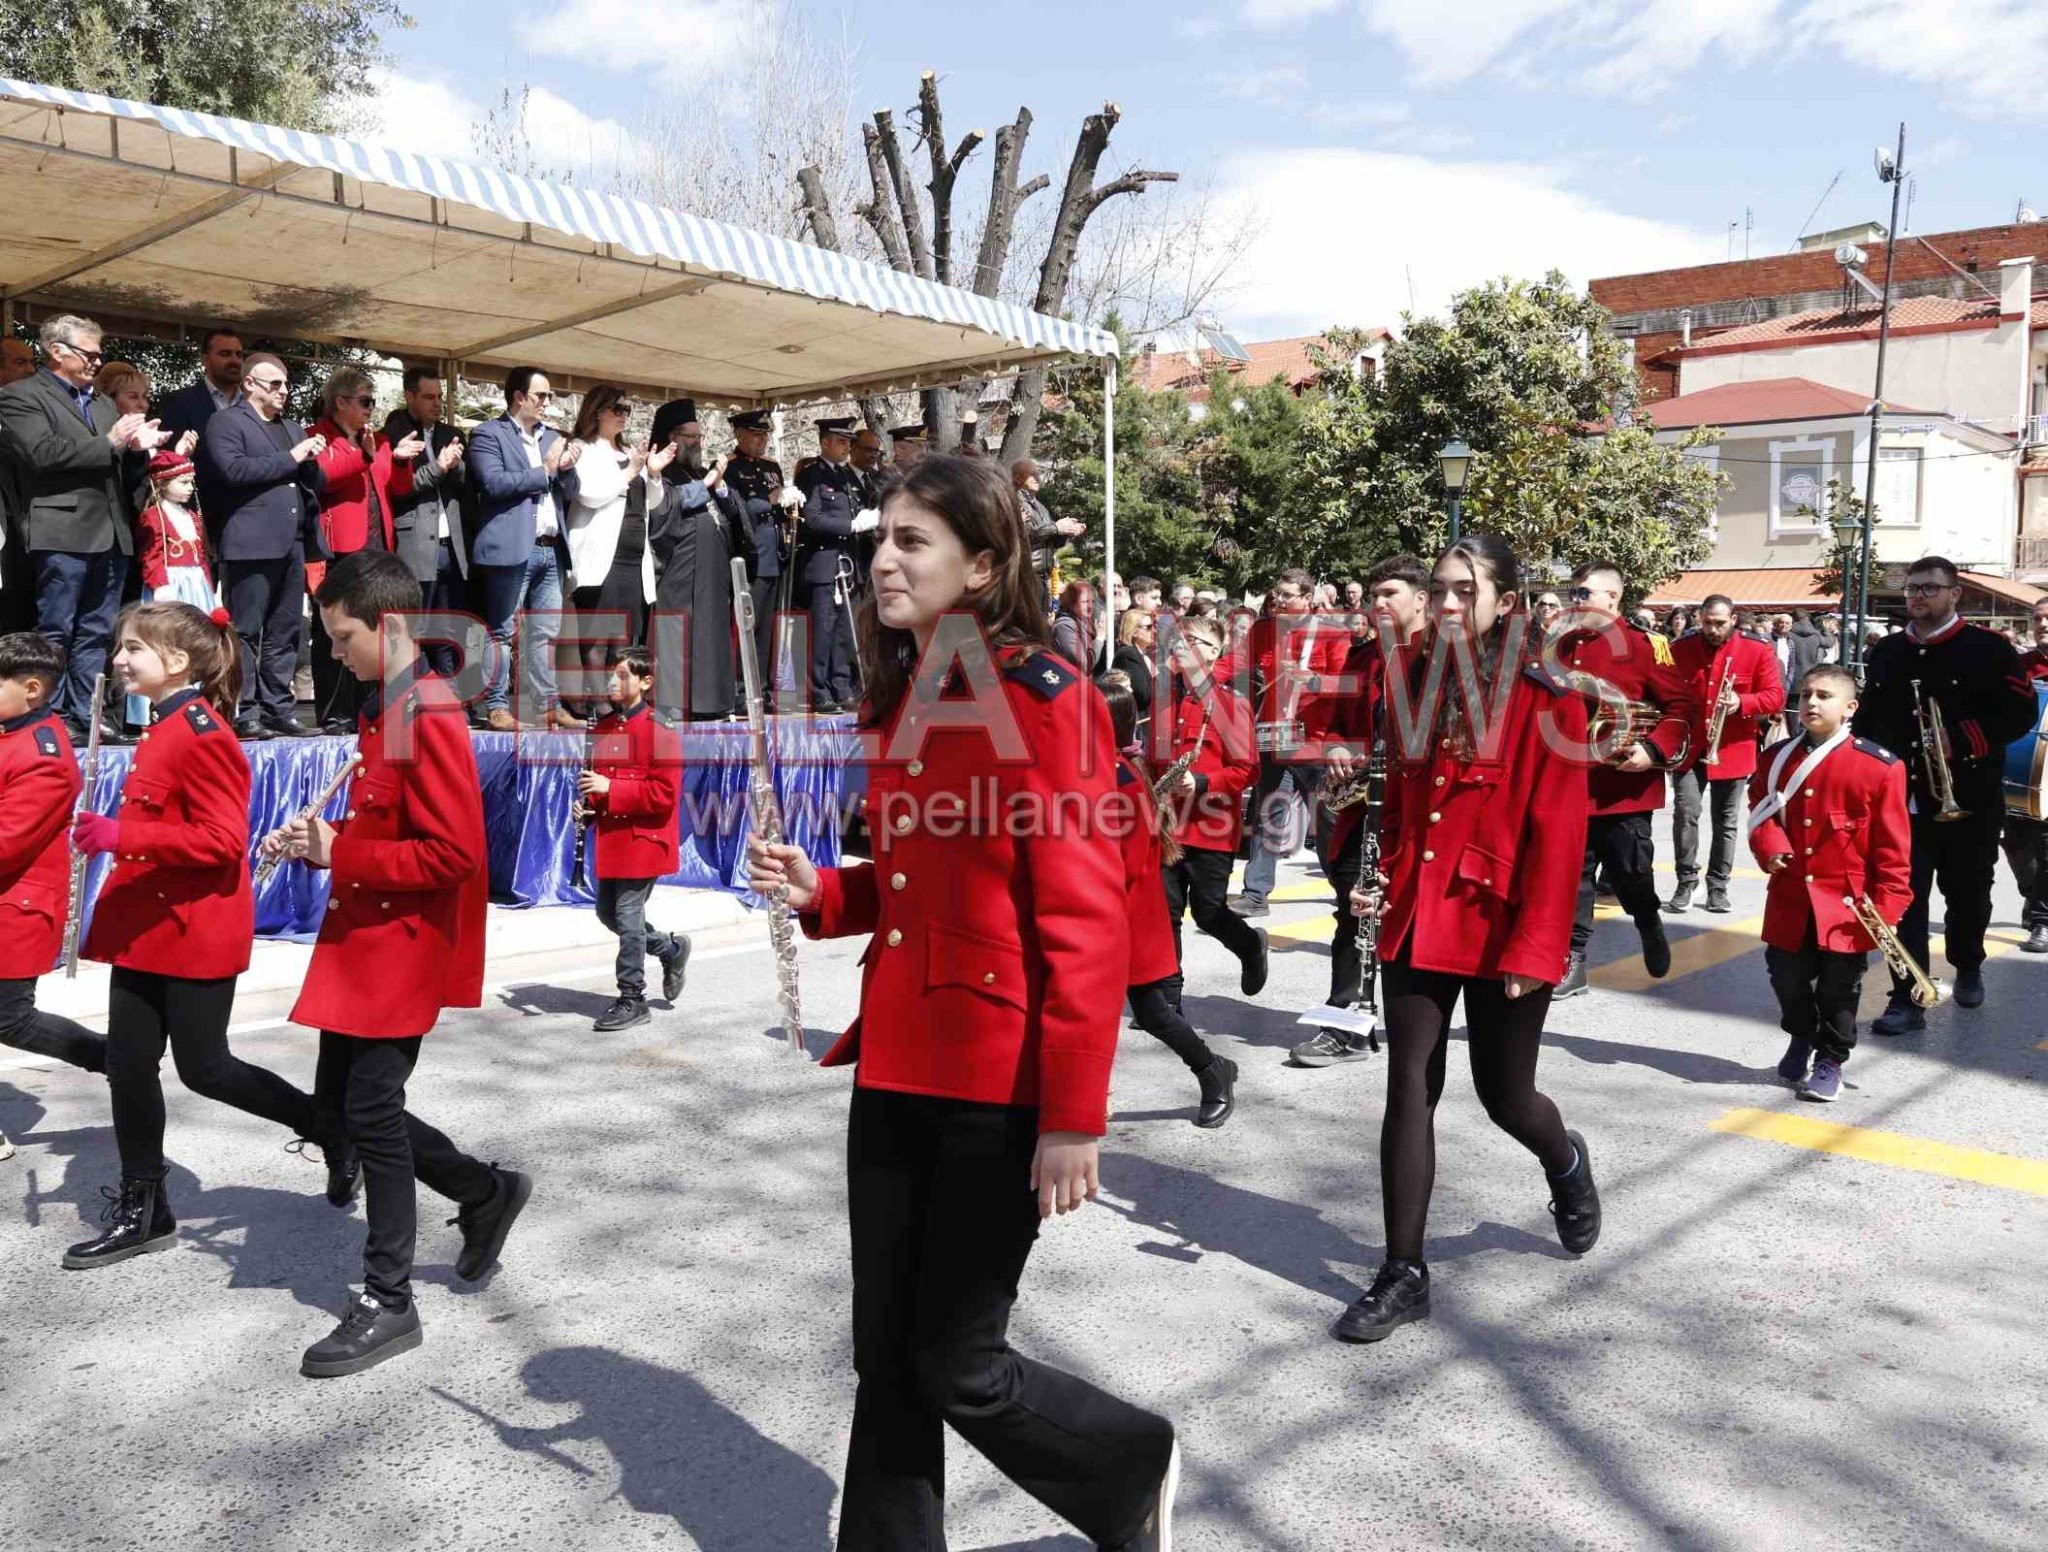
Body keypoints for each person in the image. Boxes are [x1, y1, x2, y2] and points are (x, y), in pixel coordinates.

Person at [746, 454, 1178, 1550]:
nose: (881, 558)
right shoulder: (905, 689)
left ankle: (1127, 1464)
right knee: (885, 1355)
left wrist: (1073, 1114)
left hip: (997, 1076)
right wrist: (823, 892)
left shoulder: (1046, 700)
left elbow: (1085, 921)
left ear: (982, 566)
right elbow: (918, 881)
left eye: (910, 541)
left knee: (958, 1364)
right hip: (895, 1058)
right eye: (877, 538)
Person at [263, 550, 531, 1377]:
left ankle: (389, 1299)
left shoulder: (429, 711)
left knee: (371, 1113)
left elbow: (450, 854)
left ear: (387, 625)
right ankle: (485, 1193)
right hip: (365, 939)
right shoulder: (389, 706)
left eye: (342, 637)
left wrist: (343, 853)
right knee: (346, 1105)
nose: (333, 652)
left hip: (400, 949)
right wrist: (322, 847)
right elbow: (387, 826)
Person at [1335, 533, 1598, 1345]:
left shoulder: (1548, 695)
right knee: (1408, 1082)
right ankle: (1403, 1271)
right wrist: (1374, 876)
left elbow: (1560, 836)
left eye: (1464, 592)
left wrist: (1536, 947)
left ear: (1506, 605)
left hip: (1502, 917)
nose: (1446, 605)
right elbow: (1411, 805)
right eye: (1440, 589)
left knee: (1505, 1096)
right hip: (1421, 907)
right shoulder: (1410, 674)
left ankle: (1565, 1160)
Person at [64, 601, 346, 1270]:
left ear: (179, 663)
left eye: (134, 647)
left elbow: (222, 844)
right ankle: (145, 1207)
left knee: (207, 1068)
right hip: (147, 927)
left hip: (193, 928)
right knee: (128, 1064)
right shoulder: (162, 728)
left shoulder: (202, 733)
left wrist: (120, 834)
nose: (120, 658)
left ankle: (330, 1128)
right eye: (121, 646)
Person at [1852, 556, 2037, 1032]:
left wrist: (1961, 738)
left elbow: (2019, 713)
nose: (1918, 596)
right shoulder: (1888, 651)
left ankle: (1969, 964)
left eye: (1930, 588)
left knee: (1969, 894)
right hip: (1903, 798)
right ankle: (1908, 995)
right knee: (1902, 897)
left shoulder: (1990, 648)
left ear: (1955, 594)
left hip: (1970, 794)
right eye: (1913, 588)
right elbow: (1869, 717)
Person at [1746, 665, 1912, 1102]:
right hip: (1790, 896)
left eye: (1824, 695)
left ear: (1850, 708)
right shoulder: (1776, 757)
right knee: (1786, 977)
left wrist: (1888, 910)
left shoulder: (1879, 767)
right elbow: (1760, 808)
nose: (1811, 703)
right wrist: (1770, 844)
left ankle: (1831, 1059)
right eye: (1805, 695)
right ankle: (1802, 1033)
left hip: (1846, 904)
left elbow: (1893, 848)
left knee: (1840, 989)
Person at [0, 313, 166, 740]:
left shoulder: (102, 403)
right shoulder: (21, 396)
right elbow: (43, 454)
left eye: (99, 353)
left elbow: (119, 469)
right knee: (56, 629)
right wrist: (110, 443)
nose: (96, 361)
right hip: (62, 531)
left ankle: (87, 717)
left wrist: (136, 450)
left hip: (110, 532)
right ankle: (48, 719)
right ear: (57, 352)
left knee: (96, 631)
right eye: (88, 353)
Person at [1292, 552, 1429, 1068]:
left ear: (1420, 600)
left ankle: (1406, 1016)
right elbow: (1334, 727)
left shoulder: (1444, 659)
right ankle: (1345, 1018)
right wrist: (1334, 748)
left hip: (1420, 814)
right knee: (1353, 911)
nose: (1377, 605)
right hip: (1363, 809)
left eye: (1389, 595)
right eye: (1373, 596)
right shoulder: (1363, 657)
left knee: (1410, 916)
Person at [1097, 670, 1237, 1127]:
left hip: (1127, 917)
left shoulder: (1120, 778)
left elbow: (1131, 864)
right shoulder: (1100, 770)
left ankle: (1211, 1070)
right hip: (1103, 915)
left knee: (1155, 1013)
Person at [1552, 561, 1696, 996]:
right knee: (1572, 877)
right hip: (1569, 784)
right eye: (1573, 594)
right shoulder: (1559, 646)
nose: (1575, 602)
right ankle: (1573, 960)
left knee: (1630, 871)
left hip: (1622, 787)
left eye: (1584, 594)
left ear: (1612, 598)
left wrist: (1652, 750)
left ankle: (1648, 920)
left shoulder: (1646, 646)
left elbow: (1683, 707)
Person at [0, 632, 109, 1079]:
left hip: (14, 908)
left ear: (32, 690)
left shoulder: (43, 755)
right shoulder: (15, 730)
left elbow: (7, 841)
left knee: (11, 1019)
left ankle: (116, 1057)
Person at [204, 350, 326, 739]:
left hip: (292, 541)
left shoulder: (291, 426)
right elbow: (234, 471)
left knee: (285, 630)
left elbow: (307, 481)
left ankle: (278, 707)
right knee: (247, 630)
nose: (284, 391)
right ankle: (245, 708)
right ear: (249, 384)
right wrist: (293, 456)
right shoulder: (226, 422)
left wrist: (311, 460)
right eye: (275, 383)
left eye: (287, 384)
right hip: (250, 543)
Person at [1222, 568, 1350, 919]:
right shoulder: (1264, 630)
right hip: (1274, 738)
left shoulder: (1334, 634)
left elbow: (1348, 686)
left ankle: (1344, 889)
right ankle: (1255, 894)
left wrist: (1314, 680)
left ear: (1308, 599)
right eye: (1276, 593)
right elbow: (1232, 664)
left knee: (1327, 819)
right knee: (1268, 814)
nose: (1278, 600)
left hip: (1315, 741)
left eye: (1287, 595)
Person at [576, 650, 690, 1030]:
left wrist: (612, 788)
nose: (613, 683)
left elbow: (663, 794)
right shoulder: (603, 728)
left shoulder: (661, 730)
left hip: (644, 839)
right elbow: (596, 783)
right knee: (608, 913)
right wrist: (589, 808)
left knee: (626, 917)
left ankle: (632, 997)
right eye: (612, 675)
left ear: (645, 683)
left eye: (623, 676)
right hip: (613, 838)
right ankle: (670, 949)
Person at [467, 365, 582, 732]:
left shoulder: (553, 437)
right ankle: (496, 706)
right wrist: (545, 471)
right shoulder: (488, 434)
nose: (548, 402)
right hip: (511, 547)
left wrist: (567, 468)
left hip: (550, 548)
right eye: (542, 395)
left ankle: (548, 704)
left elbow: (570, 490)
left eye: (550, 396)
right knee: (502, 631)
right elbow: (493, 483)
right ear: (519, 396)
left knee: (544, 633)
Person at [1159, 611, 1267, 1000]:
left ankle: (1250, 945)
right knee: (1165, 914)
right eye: (1178, 639)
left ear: (1214, 651)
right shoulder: (1166, 699)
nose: (1181, 646)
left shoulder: (1231, 704)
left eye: (1193, 641)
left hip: (1210, 825)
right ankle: (1169, 998)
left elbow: (1247, 770)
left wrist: (1202, 782)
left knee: (1208, 912)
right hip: (1168, 825)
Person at [308, 368, 423, 732]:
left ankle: (366, 708)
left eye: (373, 400)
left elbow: (397, 488)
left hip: (377, 549)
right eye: (365, 401)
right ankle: (335, 712)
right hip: (341, 550)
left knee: (371, 631)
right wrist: (363, 455)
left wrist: (400, 458)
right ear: (341, 402)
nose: (372, 408)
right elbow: (323, 479)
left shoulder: (375, 439)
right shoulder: (317, 436)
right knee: (336, 633)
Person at [1665, 594, 1784, 914]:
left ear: (1733, 620)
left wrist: (1741, 704)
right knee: (1685, 813)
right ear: (1698, 619)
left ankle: (1718, 885)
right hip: (1690, 747)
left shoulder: (1757, 650)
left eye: (1720, 623)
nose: (1713, 629)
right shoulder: (1681, 649)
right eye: (1707, 623)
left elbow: (1774, 697)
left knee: (1725, 820)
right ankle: (1685, 880)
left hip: (1732, 748)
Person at [561, 386, 666, 716]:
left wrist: (653, 473)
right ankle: (598, 704)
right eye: (617, 408)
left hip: (633, 559)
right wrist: (630, 472)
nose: (623, 414)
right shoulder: (582, 448)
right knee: (597, 637)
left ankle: (621, 700)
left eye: (627, 409)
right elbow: (589, 494)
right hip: (599, 559)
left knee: (624, 638)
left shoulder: (630, 450)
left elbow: (653, 503)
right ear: (597, 411)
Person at [645, 398, 739, 721]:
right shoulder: (663, 472)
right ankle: (674, 702)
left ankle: (711, 701)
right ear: (672, 438)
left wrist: (721, 487)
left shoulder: (698, 471)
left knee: (710, 632)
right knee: (678, 633)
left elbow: (732, 512)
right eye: (690, 436)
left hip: (712, 570)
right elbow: (664, 506)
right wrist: (706, 485)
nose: (697, 442)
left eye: (699, 436)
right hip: (679, 568)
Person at [383, 366, 470, 684]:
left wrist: (457, 465)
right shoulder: (395, 434)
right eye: (428, 397)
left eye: (439, 397)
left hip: (451, 545)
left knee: (447, 624)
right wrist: (440, 466)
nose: (436, 403)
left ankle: (450, 694)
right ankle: (409, 692)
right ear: (409, 397)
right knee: (415, 624)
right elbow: (402, 486)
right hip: (416, 543)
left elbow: (463, 483)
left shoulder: (450, 433)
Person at [124, 450, 220, 728]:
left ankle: (200, 701)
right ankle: (153, 710)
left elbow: (202, 557)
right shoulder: (153, 517)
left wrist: (211, 593)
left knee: (197, 642)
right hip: (171, 584)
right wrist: (160, 585)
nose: (190, 488)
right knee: (165, 641)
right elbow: (151, 554)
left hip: (196, 585)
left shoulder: (193, 516)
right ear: (164, 483)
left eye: (191, 483)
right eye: (184, 483)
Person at [719, 409, 801, 686]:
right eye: (756, 435)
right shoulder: (728, 466)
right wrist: (773, 499)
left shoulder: (771, 466)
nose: (762, 440)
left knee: (769, 626)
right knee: (746, 624)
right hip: (748, 553)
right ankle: (742, 685)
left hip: (774, 552)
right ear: (738, 435)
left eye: (765, 435)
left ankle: (764, 684)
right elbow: (738, 508)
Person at [795, 417, 871, 713]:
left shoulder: (846, 477)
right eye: (841, 442)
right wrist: (850, 526)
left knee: (843, 631)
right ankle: (819, 689)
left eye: (848, 443)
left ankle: (840, 685)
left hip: (848, 563)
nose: (846, 448)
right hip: (825, 562)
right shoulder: (812, 476)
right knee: (823, 630)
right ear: (825, 442)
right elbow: (812, 519)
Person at [155, 325, 245, 526]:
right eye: (225, 354)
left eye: (239, 355)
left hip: (247, 516)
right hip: (198, 515)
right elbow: (168, 461)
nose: (234, 360)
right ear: (205, 359)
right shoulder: (179, 402)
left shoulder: (252, 404)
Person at [2002, 598, 2048, 953]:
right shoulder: (2019, 666)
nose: (2043, 624)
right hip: (2024, 775)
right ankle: (2033, 896)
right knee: (2019, 848)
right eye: (2038, 618)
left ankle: (2043, 920)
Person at [1111, 607, 1159, 751]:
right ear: (1134, 631)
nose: (1154, 631)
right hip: (1139, 726)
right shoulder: (1128, 654)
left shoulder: (1144, 654)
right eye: (1148, 627)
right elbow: (1143, 694)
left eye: (1154, 626)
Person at [1050, 578, 1101, 671]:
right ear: (1071, 603)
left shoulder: (1087, 625)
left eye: (1092, 602)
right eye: (1085, 602)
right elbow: (1083, 665)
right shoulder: (1064, 627)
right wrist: (1099, 639)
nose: (1090, 606)